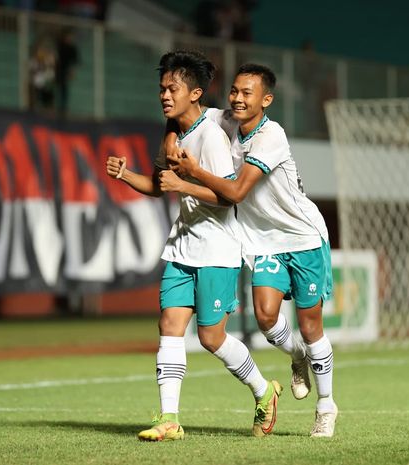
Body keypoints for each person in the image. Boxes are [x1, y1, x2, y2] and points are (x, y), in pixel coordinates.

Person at [105, 51, 281, 441]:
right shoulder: (173, 133)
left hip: (217, 249)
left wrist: (184, 183)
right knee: (169, 325)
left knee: (211, 338)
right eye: (162, 88)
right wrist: (126, 175)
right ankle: (169, 418)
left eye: (173, 88)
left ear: (196, 93)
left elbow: (229, 197)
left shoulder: (212, 136)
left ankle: (263, 390)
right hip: (181, 247)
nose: (165, 95)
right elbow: (158, 185)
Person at [163, 63, 338, 437]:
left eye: (247, 93)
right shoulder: (225, 120)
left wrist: (192, 172)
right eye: (235, 91)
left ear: (266, 100)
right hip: (263, 241)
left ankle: (326, 406)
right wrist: (168, 138)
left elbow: (237, 192)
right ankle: (296, 358)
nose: (238, 99)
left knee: (310, 326)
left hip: (303, 238)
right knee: (266, 317)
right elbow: (180, 113)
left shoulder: (271, 136)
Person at [55, 28, 79, 120]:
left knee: (64, 90)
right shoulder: (59, 46)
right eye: (68, 37)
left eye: (70, 37)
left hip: (64, 71)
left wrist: (72, 71)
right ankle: (54, 106)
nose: (69, 38)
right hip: (57, 70)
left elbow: (75, 62)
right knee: (57, 88)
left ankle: (63, 108)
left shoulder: (72, 48)